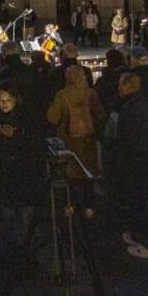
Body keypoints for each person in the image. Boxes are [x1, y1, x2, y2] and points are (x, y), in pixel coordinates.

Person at [0, 82, 41, 259]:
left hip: (23, 173)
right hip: (3, 173)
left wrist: (16, 136)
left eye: (8, 100)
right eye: (1, 100)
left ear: (15, 100)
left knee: (24, 215)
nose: (4, 104)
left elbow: (35, 143)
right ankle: (11, 251)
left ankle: (26, 252)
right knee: (7, 216)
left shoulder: (26, 117)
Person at [115, 72, 148, 260]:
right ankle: (142, 236)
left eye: (121, 85)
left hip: (136, 161)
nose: (118, 89)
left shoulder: (128, 109)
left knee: (138, 202)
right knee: (145, 200)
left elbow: (125, 139)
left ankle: (145, 242)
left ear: (128, 86)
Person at [46, 64, 106, 215]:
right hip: (88, 141)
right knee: (88, 174)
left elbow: (53, 118)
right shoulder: (91, 94)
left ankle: (70, 207)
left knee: (70, 175)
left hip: (69, 141)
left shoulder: (62, 95)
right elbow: (100, 115)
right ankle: (89, 207)